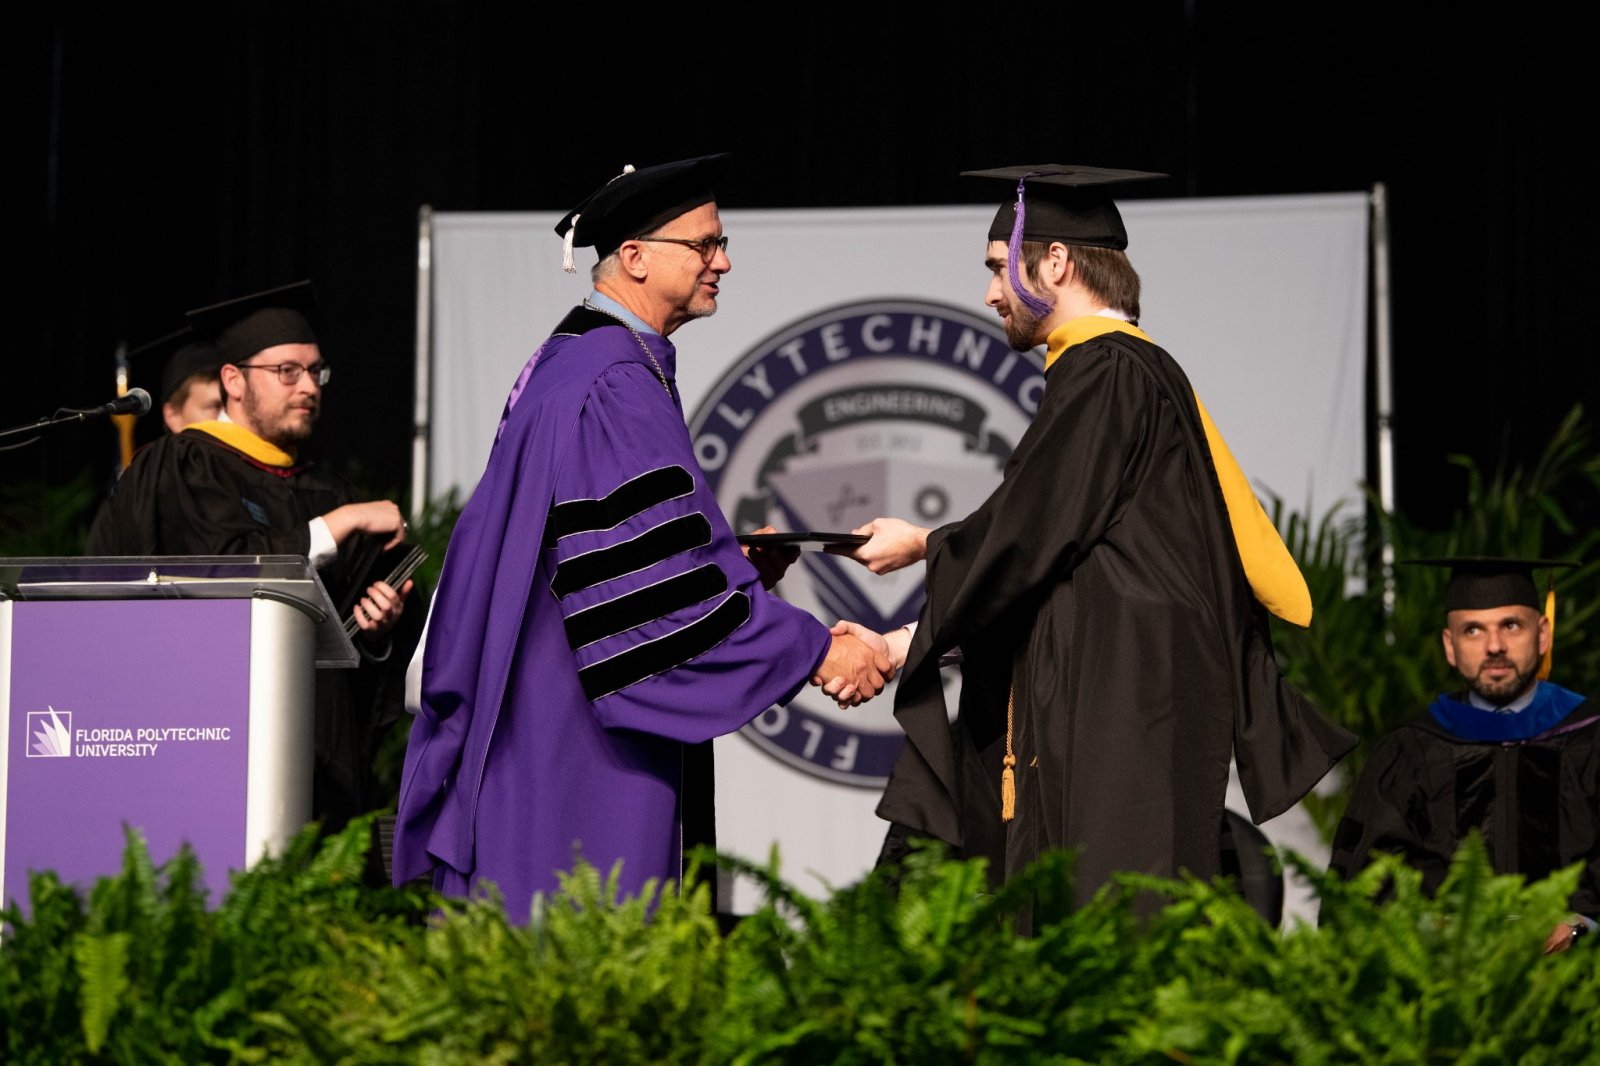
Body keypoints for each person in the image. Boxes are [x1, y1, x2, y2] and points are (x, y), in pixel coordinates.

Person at [831, 163, 1357, 913]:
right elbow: (1050, 554)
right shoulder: (1138, 372)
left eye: (995, 268)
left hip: (1116, 714)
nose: (988, 294)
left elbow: (1027, 536)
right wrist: (911, 613)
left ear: (1054, 261)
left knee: (1108, 926)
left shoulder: (1105, 371)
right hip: (1130, 706)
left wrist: (918, 562)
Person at [391, 153, 892, 920]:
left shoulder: (575, 362)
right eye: (704, 245)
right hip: (577, 745)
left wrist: (740, 575)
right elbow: (641, 596)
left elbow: (629, 552)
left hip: (545, 714)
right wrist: (817, 648)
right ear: (633, 257)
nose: (723, 261)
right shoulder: (611, 382)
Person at [85, 280, 419, 842]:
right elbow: (219, 574)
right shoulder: (181, 468)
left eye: (315, 372)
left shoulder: (325, 488)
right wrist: (335, 528)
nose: (308, 387)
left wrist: (379, 627)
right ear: (233, 381)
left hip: (320, 771)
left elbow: (361, 657)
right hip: (205, 737)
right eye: (287, 371)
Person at [1327, 557, 1598, 954]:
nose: (1494, 646)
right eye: (1473, 630)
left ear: (1542, 634)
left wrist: (1579, 926)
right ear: (1450, 647)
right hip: (1442, 987)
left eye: (1511, 625)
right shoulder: (1411, 752)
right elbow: (1364, 883)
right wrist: (1428, 926)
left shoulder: (1589, 739)